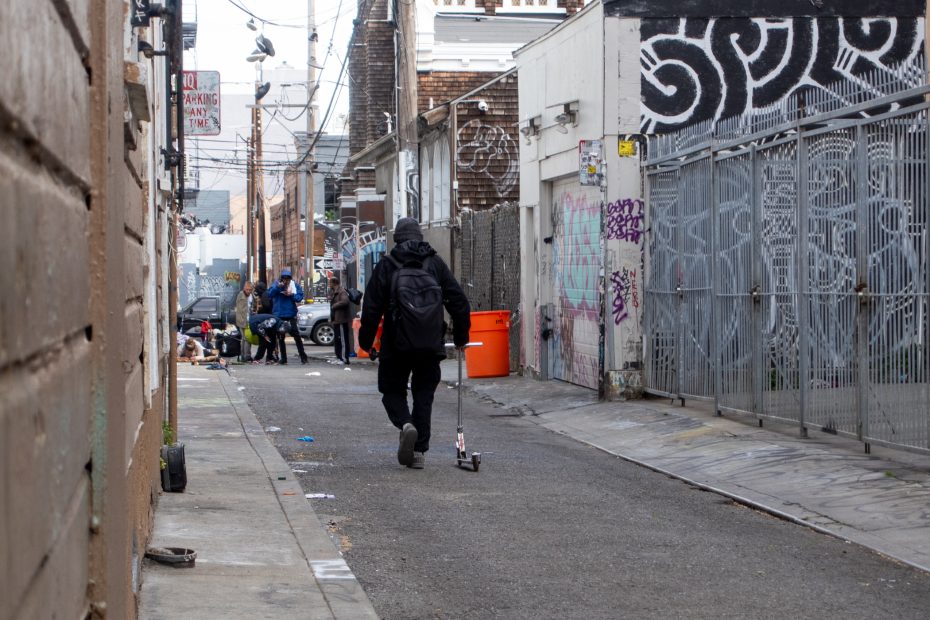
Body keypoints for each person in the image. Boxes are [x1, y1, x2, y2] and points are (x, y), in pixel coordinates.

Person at [359, 217, 471, 469]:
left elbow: (371, 309)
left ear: (396, 239)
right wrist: (462, 338)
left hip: (396, 343)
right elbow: (459, 302)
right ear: (420, 237)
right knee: (424, 394)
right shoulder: (435, 263)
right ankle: (419, 451)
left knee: (391, 391)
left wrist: (366, 343)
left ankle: (406, 424)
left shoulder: (387, 266)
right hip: (430, 345)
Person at [268, 268, 309, 365]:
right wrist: (278, 287)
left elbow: (299, 298)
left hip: (290, 315)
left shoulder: (294, 285)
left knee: (297, 337)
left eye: (288, 279)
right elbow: (269, 294)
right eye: (284, 279)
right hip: (279, 315)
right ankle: (284, 359)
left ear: (290, 279)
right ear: (281, 278)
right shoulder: (276, 284)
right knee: (281, 338)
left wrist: (291, 295)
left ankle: (303, 357)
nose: (286, 281)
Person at [328, 277, 352, 365]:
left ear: (334, 283)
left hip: (342, 320)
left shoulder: (342, 291)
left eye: (330, 283)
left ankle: (344, 358)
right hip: (337, 320)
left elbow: (345, 301)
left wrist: (334, 305)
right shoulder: (335, 292)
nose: (329, 284)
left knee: (343, 340)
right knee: (338, 339)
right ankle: (340, 357)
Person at [235, 281, 254, 362]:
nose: (248, 291)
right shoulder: (241, 295)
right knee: (245, 338)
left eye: (250, 290)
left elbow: (251, 306)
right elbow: (240, 308)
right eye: (247, 289)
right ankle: (245, 356)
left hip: (249, 319)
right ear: (244, 288)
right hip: (242, 320)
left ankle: (245, 356)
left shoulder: (251, 296)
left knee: (247, 338)